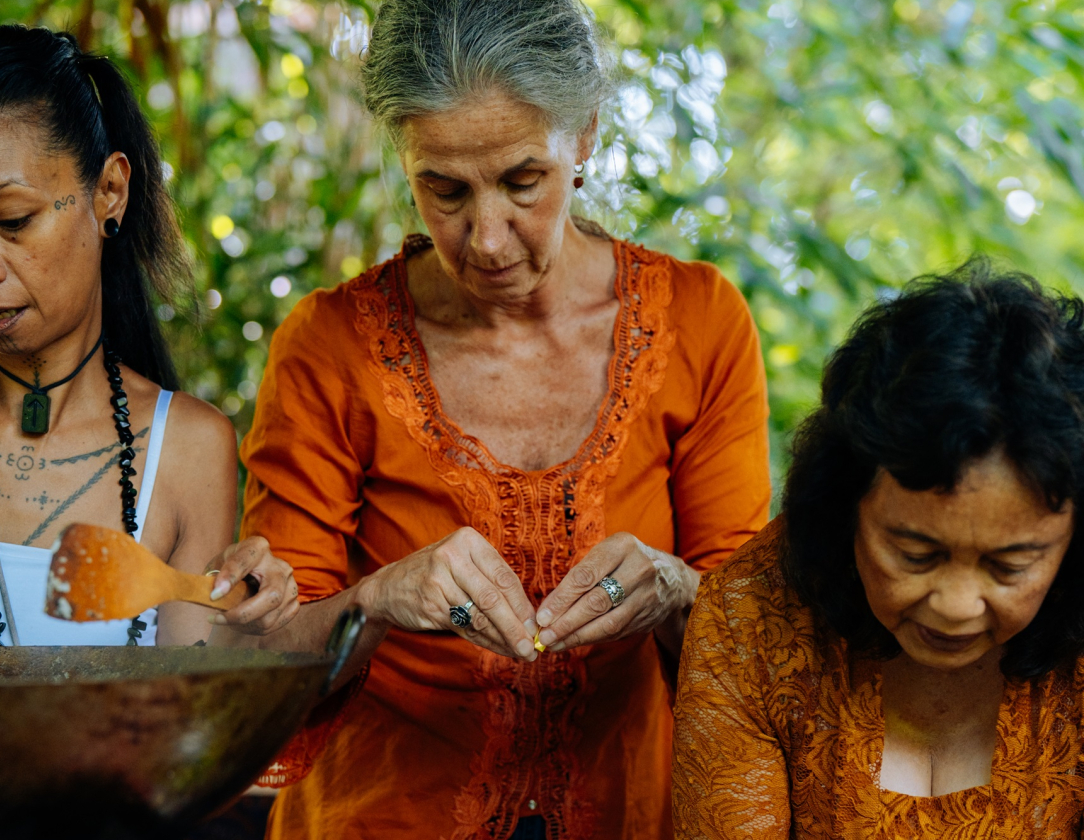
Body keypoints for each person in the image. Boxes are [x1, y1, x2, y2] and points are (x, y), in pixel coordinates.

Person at [206, 1, 770, 836]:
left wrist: (677, 591)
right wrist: (380, 598)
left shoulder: (701, 323)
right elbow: (254, 665)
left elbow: (762, 658)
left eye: (521, 182)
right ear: (405, 161)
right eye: (444, 190)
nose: (487, 238)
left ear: (585, 137)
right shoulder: (330, 348)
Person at [0, 25, 296, 647]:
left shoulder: (186, 449)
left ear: (109, 192)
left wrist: (249, 617)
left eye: (12, 220)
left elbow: (186, 717)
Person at [672, 259, 1084, 837]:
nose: (956, 605)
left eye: (1010, 566)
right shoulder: (751, 617)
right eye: (915, 554)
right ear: (846, 509)